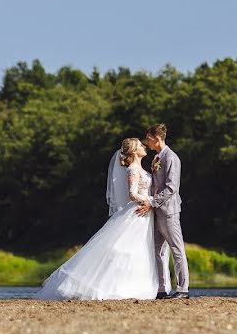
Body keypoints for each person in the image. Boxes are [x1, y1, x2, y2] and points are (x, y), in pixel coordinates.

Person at [35, 138, 159, 300]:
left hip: (145, 213)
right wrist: (150, 201)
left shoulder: (141, 168)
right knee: (127, 250)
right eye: (141, 145)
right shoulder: (133, 169)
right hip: (137, 212)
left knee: (140, 250)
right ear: (135, 150)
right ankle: (117, 288)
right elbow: (132, 194)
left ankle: (135, 286)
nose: (144, 146)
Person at [137, 123, 189, 299]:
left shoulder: (171, 158)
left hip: (169, 211)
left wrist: (152, 202)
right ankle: (161, 288)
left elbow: (171, 188)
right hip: (155, 211)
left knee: (176, 248)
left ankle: (183, 288)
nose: (147, 142)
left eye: (149, 139)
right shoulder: (157, 158)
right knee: (157, 251)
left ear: (157, 138)